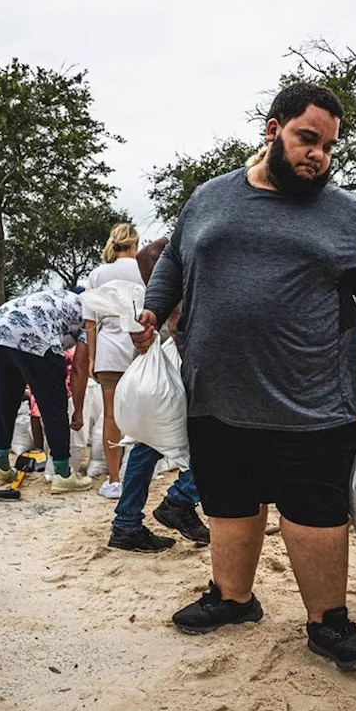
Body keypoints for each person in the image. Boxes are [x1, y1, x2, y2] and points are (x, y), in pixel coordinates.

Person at [132, 83, 356, 671]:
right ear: (272, 129)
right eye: (308, 139)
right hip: (216, 392)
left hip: (311, 401)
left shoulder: (350, 218)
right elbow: (176, 259)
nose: (319, 155)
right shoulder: (209, 198)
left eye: (330, 146)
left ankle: (327, 622)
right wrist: (154, 307)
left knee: (315, 511)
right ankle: (233, 599)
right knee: (229, 502)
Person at [109, 237, 209, 553]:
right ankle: (179, 500)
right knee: (219, 435)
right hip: (193, 352)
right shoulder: (203, 224)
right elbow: (148, 254)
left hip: (181, 351)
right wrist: (175, 313)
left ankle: (126, 524)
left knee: (150, 439)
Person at [0, 289, 93, 494]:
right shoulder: (91, 316)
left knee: (6, 401)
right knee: (54, 404)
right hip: (36, 331)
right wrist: (78, 411)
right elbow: (80, 370)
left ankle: (0, 468)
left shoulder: (63, 299)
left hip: (0, 328)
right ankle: (63, 475)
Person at [84, 222, 144, 500]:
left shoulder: (97, 274)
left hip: (108, 348)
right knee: (143, 412)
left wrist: (93, 358)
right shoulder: (143, 267)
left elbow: (89, 321)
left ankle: (114, 478)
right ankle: (141, 473)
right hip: (139, 346)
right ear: (135, 244)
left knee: (111, 415)